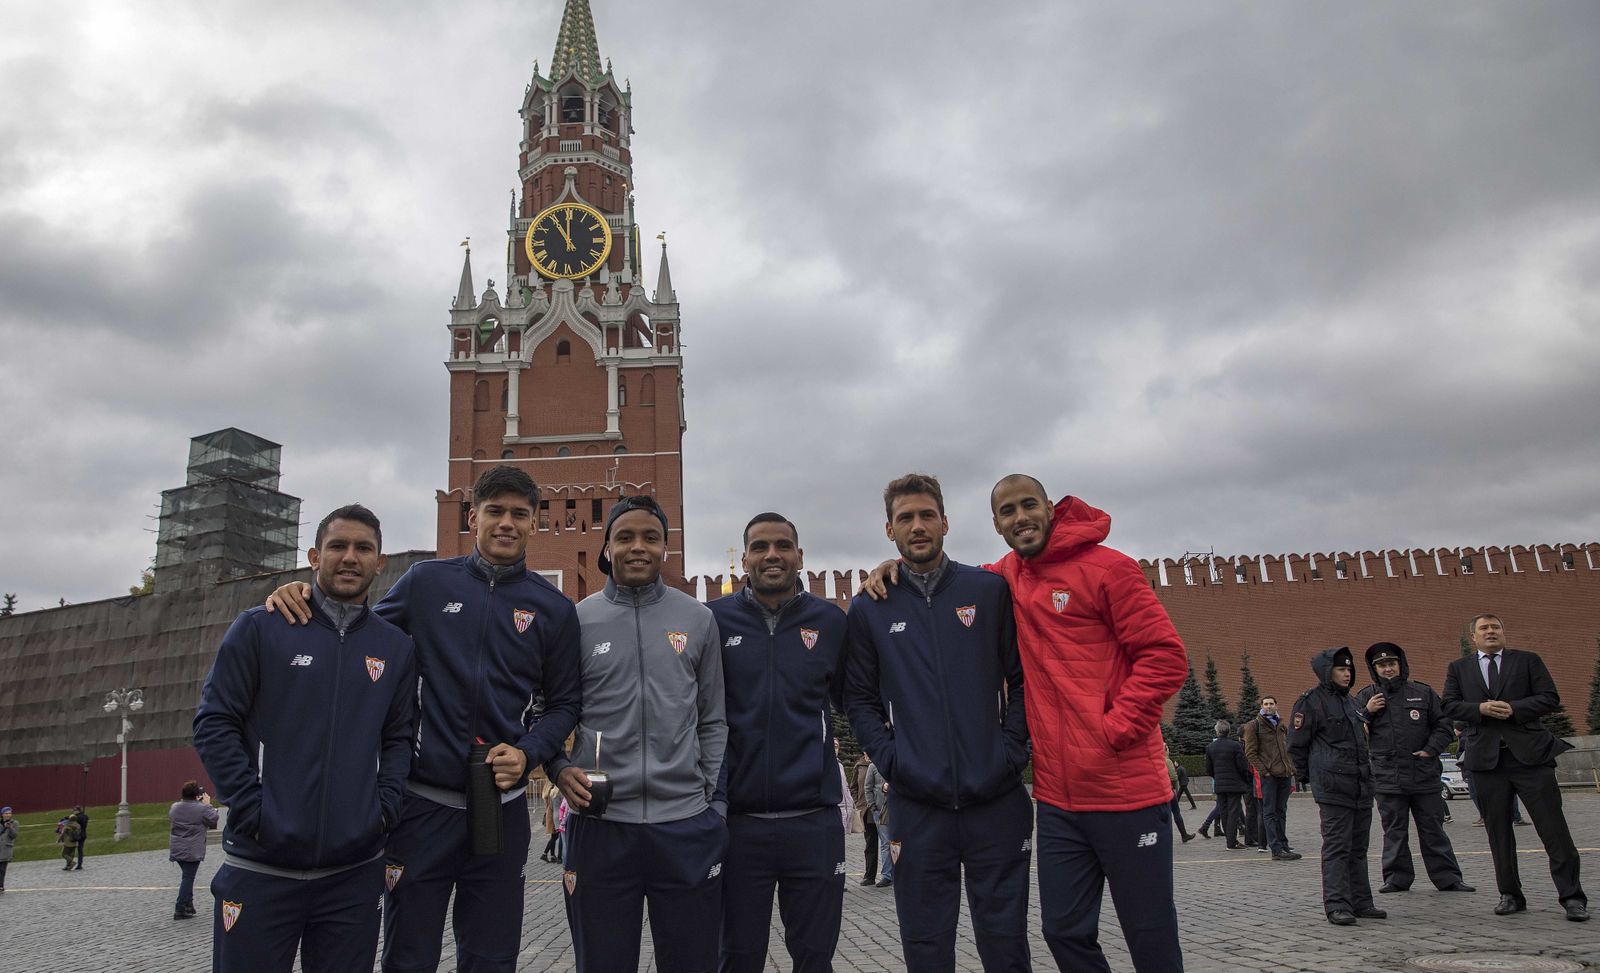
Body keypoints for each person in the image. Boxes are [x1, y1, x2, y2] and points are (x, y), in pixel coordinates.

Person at [267, 467, 582, 973]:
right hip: (421, 806)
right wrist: (308, 594)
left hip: (498, 809)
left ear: (534, 523)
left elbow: (564, 704)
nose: (506, 523)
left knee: (491, 956)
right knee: (408, 955)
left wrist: (529, 751)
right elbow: (359, 634)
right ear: (473, 516)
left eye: (519, 514)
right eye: (495, 511)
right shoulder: (426, 583)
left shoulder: (553, 609)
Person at [196, 504, 418, 973]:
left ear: (381, 563)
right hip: (261, 868)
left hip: (353, 875)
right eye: (338, 546)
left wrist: (382, 810)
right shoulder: (260, 627)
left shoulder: (395, 647)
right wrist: (253, 808)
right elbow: (214, 722)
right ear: (315, 556)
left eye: (364, 548)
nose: (350, 557)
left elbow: (399, 737)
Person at [846, 473, 1033, 971]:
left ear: (946, 522)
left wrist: (1011, 753)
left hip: (995, 800)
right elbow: (858, 699)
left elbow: (1025, 680)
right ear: (890, 530)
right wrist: (894, 761)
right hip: (918, 805)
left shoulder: (989, 591)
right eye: (905, 517)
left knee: (1006, 943)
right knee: (926, 947)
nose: (918, 525)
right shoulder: (869, 608)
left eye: (927, 514)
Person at [549, 495, 728, 973]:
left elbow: (712, 717)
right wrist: (559, 766)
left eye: (651, 537)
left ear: (665, 548)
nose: (638, 547)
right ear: (606, 547)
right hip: (601, 825)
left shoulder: (697, 619)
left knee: (692, 963)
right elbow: (553, 710)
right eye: (625, 537)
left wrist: (711, 799)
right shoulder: (578, 619)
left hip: (686, 822)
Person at [710, 512, 850, 973]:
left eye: (783, 545)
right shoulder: (713, 620)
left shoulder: (830, 622)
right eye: (760, 546)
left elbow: (859, 701)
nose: (772, 555)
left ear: (799, 556)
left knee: (814, 958)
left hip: (813, 821)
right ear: (744, 558)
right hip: (738, 824)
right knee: (737, 957)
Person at [1442, 613, 1587, 921]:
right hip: (1486, 761)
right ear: (1474, 638)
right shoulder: (1459, 668)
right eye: (1484, 628)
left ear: (1504, 633)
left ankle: (1572, 896)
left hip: (1530, 758)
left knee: (1554, 830)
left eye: (1496, 627)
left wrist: (1516, 708)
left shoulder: (1527, 661)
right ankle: (1510, 894)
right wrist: (1479, 709)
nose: (1491, 632)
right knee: (1498, 832)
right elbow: (1448, 706)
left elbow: (1550, 698)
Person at [1354, 642, 1472, 895]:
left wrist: (1431, 749)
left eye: (1391, 664)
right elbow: (1351, 733)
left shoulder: (1422, 692)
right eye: (1381, 665)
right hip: (1387, 777)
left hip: (1424, 774)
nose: (1387, 669)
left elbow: (1443, 726)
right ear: (1374, 670)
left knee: (1433, 830)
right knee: (1394, 831)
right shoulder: (1366, 696)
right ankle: (1396, 878)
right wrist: (1367, 712)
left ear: (1400, 665)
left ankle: (1448, 877)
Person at [1288, 646, 1383, 926]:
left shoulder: (1352, 702)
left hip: (1360, 785)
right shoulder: (1310, 701)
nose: (1347, 673)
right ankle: (1337, 904)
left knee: (1358, 847)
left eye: (1349, 669)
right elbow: (1296, 745)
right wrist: (1312, 778)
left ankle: (1362, 901)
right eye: (1341, 669)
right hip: (1333, 786)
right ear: (1326, 671)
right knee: (1337, 847)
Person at [1242, 696, 1301, 861]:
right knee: (1269, 812)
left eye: (1271, 704)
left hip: (1284, 774)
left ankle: (1283, 845)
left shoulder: (1281, 725)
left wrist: (1291, 767)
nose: (1269, 706)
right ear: (1261, 706)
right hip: (1269, 776)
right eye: (1266, 704)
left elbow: (1287, 747)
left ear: (1276, 706)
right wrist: (1264, 771)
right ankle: (1275, 848)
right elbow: (1250, 753)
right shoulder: (1254, 726)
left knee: (1281, 811)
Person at [169, 780, 219, 919]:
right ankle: (180, 908)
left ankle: (189, 905)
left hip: (177, 848)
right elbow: (214, 819)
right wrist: (207, 804)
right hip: (192, 849)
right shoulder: (201, 808)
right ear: (197, 795)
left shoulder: (174, 807)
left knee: (187, 876)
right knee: (188, 878)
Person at [1205, 721, 1251, 850]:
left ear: (1217, 731)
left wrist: (1217, 777)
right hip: (1235, 785)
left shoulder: (1210, 747)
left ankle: (1229, 841)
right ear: (1228, 731)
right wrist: (1245, 779)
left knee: (1224, 813)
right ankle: (1231, 842)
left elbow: (1208, 769)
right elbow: (1242, 766)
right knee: (1233, 813)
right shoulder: (1235, 746)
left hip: (1220, 785)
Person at [864, 757, 894, 888]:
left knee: (896, 842)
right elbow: (868, 787)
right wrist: (872, 806)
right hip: (880, 809)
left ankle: (895, 873)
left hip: (897, 808)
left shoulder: (896, 763)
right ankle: (886, 875)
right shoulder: (873, 766)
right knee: (886, 843)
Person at [852, 752, 880, 886]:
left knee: (889, 843)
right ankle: (870, 876)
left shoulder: (881, 762)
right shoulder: (859, 765)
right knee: (870, 845)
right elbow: (854, 787)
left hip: (882, 809)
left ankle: (890, 874)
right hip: (866, 811)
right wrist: (857, 802)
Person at [1163, 748, 1193, 843]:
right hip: (1168, 789)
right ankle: (1184, 834)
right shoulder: (1167, 761)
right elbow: (1173, 777)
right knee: (1176, 812)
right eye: (1167, 748)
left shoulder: (1154, 759)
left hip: (1158, 792)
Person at [539, 780, 561, 863]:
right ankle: (546, 854)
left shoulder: (547, 790)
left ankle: (551, 855)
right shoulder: (553, 791)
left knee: (554, 835)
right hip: (552, 813)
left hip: (550, 812)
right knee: (555, 835)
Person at [0, 806, 15, 892]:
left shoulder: (14, 823)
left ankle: (1, 886)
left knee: (2, 869)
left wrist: (10, 827)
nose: (8, 815)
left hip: (6, 849)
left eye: (9, 813)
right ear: (2, 814)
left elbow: (14, 835)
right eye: (6, 813)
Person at [69, 805, 87, 869]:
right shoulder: (85, 816)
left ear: (77, 811)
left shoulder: (76, 817)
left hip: (76, 835)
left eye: (74, 810)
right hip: (83, 835)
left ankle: (70, 863)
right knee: (80, 850)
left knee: (71, 850)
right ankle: (79, 864)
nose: (73, 812)